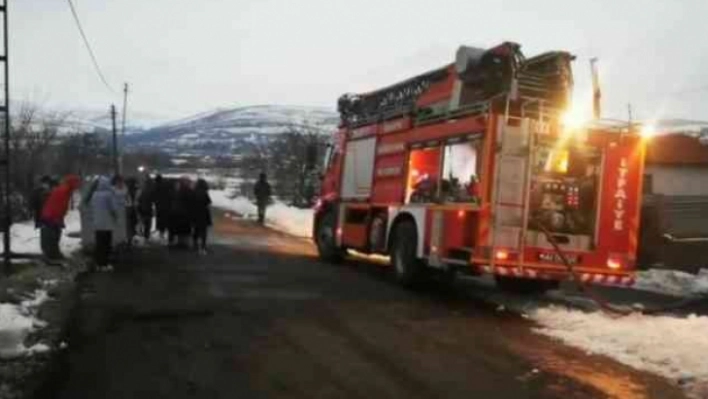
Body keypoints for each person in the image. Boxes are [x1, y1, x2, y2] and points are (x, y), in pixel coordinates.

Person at [40, 175, 81, 264]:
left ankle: (54, 255)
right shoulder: (64, 191)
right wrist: (57, 218)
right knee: (52, 236)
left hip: (52, 215)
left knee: (55, 235)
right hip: (51, 216)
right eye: (77, 183)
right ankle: (51, 256)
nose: (78, 185)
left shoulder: (66, 190)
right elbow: (58, 205)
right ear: (72, 183)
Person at [89, 176, 118, 271]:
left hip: (97, 224)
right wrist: (116, 217)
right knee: (106, 244)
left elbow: (91, 208)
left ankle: (98, 263)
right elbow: (113, 209)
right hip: (107, 224)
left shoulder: (94, 195)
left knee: (99, 244)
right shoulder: (108, 195)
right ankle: (105, 264)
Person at [190, 179, 212, 254]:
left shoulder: (193, 192)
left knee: (196, 230)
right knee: (203, 231)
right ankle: (203, 246)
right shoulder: (204, 192)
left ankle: (195, 245)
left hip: (195, 213)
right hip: (203, 214)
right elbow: (209, 202)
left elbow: (191, 202)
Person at [136, 176, 155, 241]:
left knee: (142, 222)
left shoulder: (143, 190)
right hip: (148, 209)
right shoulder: (151, 191)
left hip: (142, 209)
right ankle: (146, 236)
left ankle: (143, 234)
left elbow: (139, 200)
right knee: (147, 224)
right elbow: (153, 200)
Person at [154, 174, 170, 239]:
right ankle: (165, 233)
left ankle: (161, 233)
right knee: (165, 220)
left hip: (159, 206)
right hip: (166, 206)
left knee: (160, 220)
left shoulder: (156, 186)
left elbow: (154, 196)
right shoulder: (165, 186)